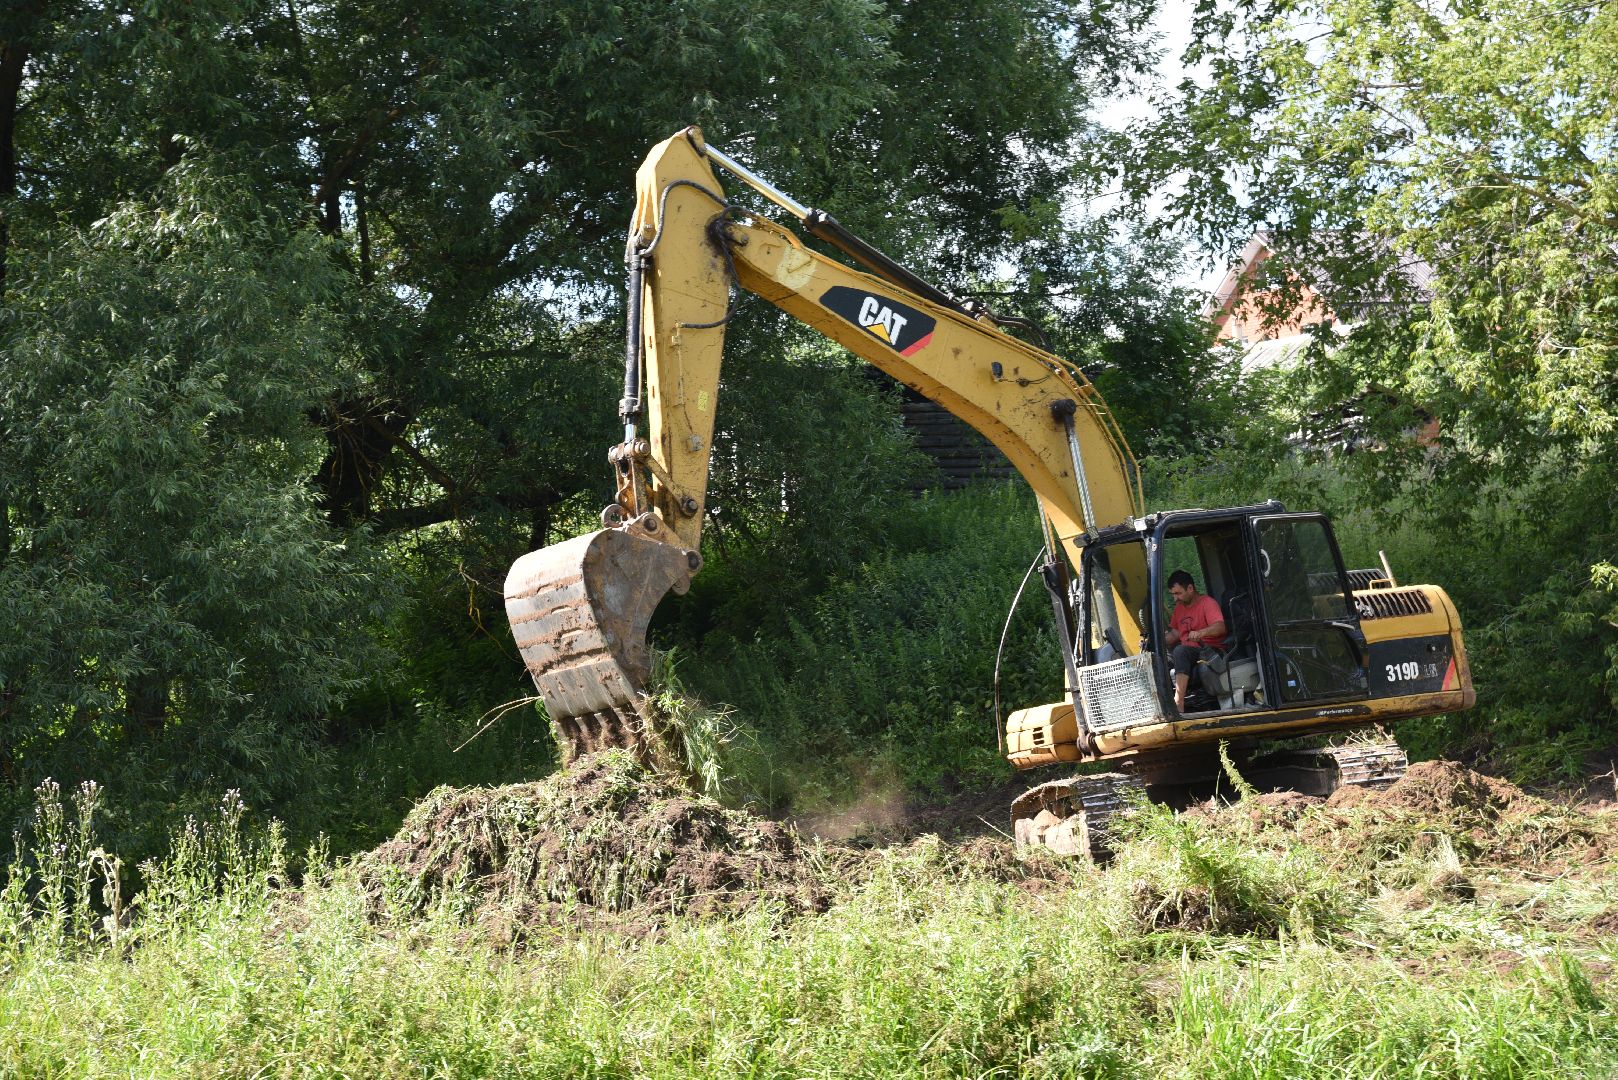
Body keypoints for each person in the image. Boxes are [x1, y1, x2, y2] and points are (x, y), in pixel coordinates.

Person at [1163, 570, 1226, 713]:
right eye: (1173, 594)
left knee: (1180, 651)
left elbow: (1220, 626)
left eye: (1178, 593)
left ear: (1190, 588)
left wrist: (1201, 633)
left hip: (1209, 651)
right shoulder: (1180, 609)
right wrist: (1156, 640)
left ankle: (1178, 703)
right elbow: (1175, 634)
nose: (1175, 599)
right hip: (1189, 652)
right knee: (1162, 659)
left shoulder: (1208, 603)